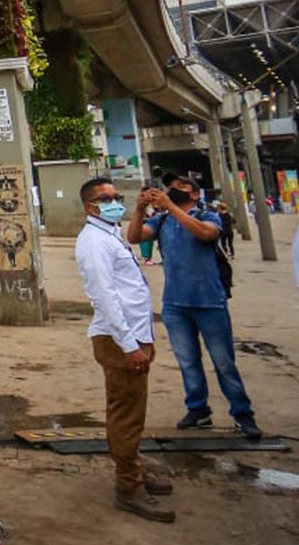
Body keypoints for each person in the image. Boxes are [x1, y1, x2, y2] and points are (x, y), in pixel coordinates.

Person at [127, 173, 263, 440]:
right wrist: (140, 208)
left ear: (195, 194)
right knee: (188, 361)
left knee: (223, 361)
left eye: (181, 186)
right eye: (171, 187)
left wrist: (171, 207)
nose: (174, 189)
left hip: (209, 301)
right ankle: (198, 409)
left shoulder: (206, 216)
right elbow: (134, 236)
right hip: (175, 304)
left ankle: (242, 412)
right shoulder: (162, 219)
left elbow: (206, 235)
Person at [74, 178, 175, 523]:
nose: (115, 201)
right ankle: (128, 488)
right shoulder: (93, 243)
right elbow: (106, 297)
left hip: (132, 335)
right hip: (119, 340)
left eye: (117, 196)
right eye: (107, 198)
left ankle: (135, 472)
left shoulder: (110, 233)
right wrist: (131, 345)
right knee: (126, 415)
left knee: (133, 411)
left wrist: (143, 338)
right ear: (91, 207)